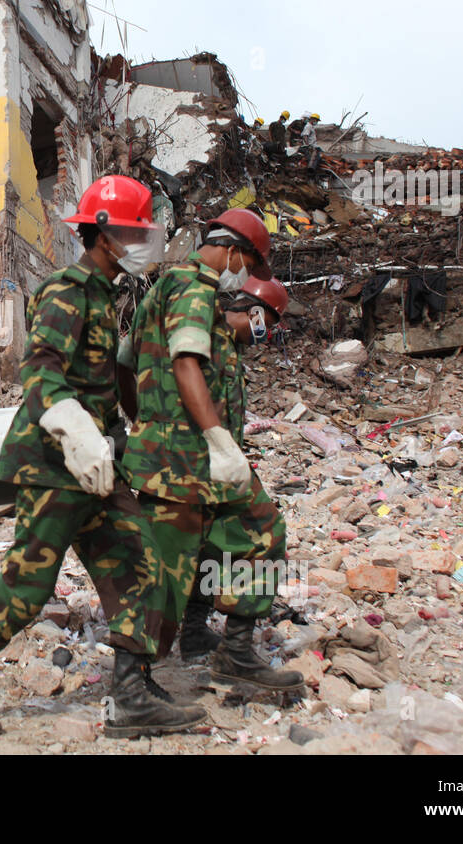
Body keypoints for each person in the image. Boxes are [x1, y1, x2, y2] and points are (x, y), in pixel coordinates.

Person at [0, 175, 206, 739]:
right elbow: (41, 371)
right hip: (54, 465)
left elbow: (102, 385)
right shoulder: (65, 290)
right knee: (29, 590)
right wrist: (75, 430)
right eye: (135, 232)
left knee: (146, 567)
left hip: (98, 466)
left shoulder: (107, 295)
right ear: (102, 234)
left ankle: (130, 694)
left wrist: (111, 440)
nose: (145, 242)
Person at [122, 216, 302, 692]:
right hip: (180, 465)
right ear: (234, 252)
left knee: (260, 530)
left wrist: (142, 422)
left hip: (200, 465)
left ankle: (236, 651)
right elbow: (183, 363)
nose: (246, 274)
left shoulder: (172, 293)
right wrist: (203, 438)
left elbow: (125, 363)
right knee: (164, 575)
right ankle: (132, 686)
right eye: (250, 264)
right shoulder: (191, 286)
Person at [174, 278, 300, 685]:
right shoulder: (205, 335)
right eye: (270, 323)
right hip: (200, 459)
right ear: (257, 312)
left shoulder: (227, 344)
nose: (269, 333)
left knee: (207, 543)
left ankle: (194, 632)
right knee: (266, 532)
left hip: (210, 461)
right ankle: (238, 650)